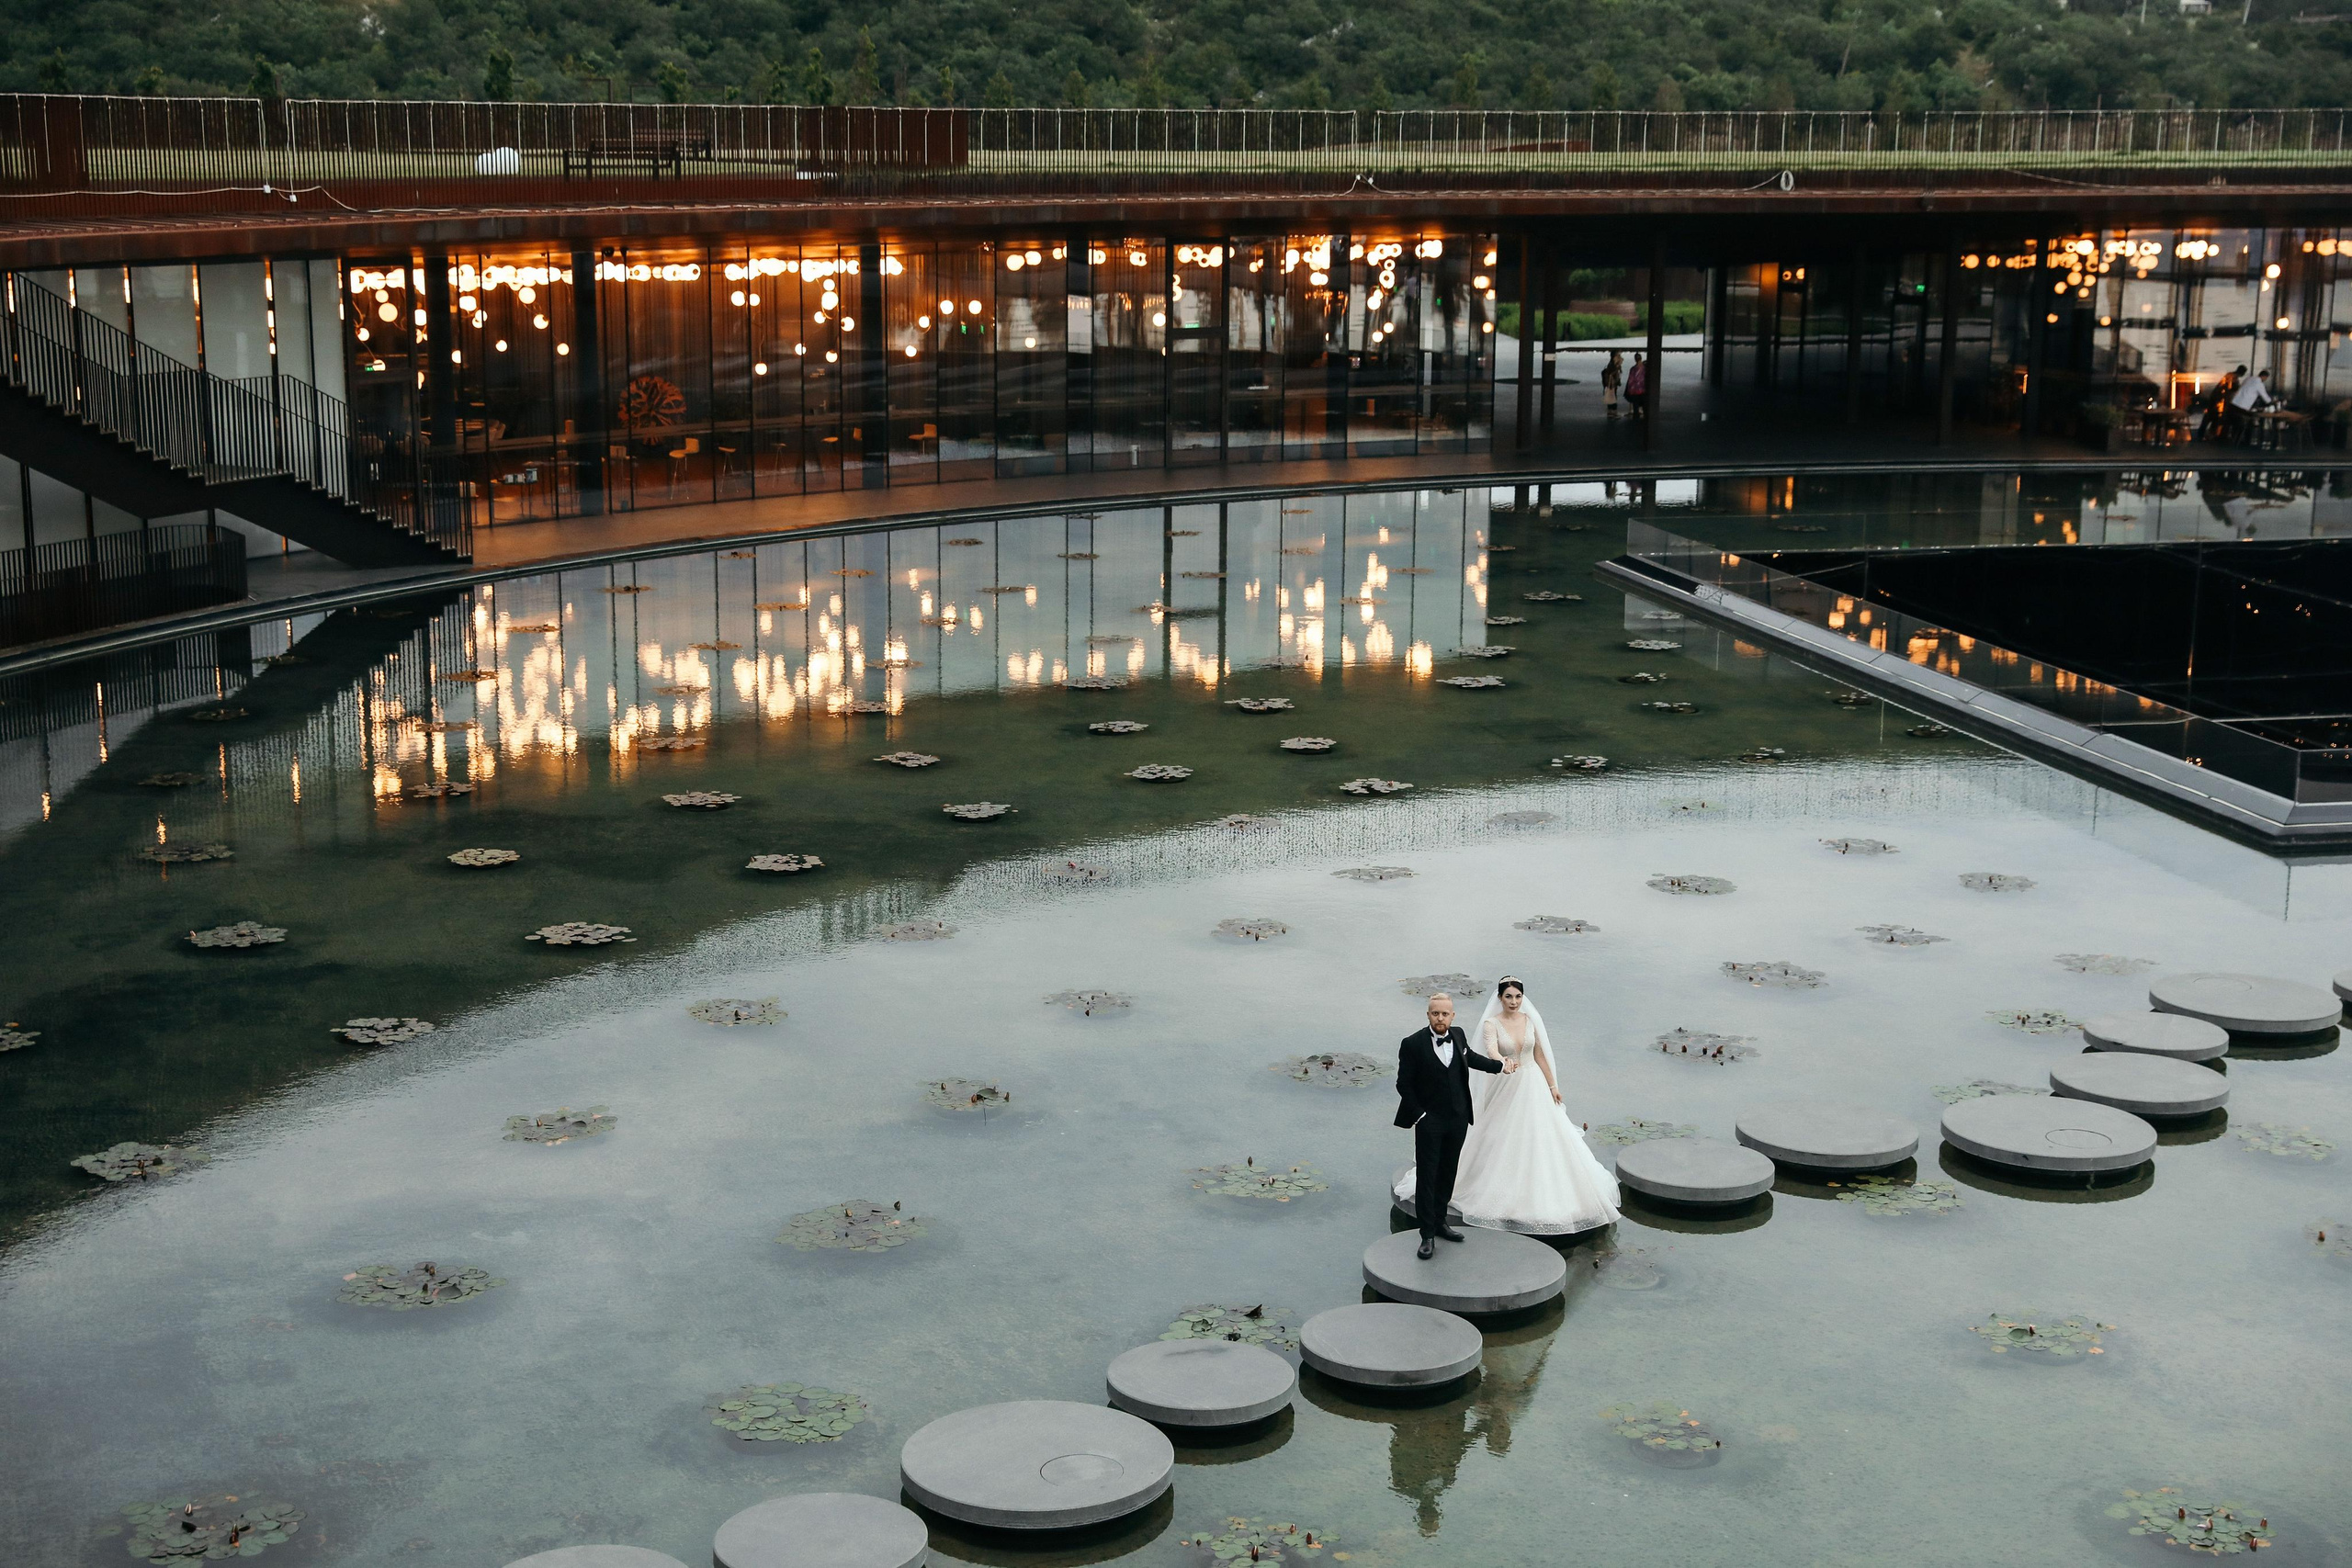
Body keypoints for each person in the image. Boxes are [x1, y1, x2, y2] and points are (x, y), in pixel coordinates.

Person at [1442, 977, 1622, 1235]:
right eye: (1508, 997)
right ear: (1500, 999)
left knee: (1544, 1135)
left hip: (1533, 1082)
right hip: (1508, 1083)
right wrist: (1502, 1061)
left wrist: (1552, 1086)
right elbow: (1491, 1050)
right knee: (1502, 1134)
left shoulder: (1529, 1020)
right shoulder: (1491, 1024)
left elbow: (1539, 1055)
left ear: (1522, 998)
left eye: (1517, 997)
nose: (1513, 1002)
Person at [1392, 992, 1510, 1259]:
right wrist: (1421, 1115)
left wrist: (1499, 1066)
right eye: (1436, 1013)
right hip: (1429, 1121)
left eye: (1445, 1013)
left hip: (1458, 1119)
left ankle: (1441, 1221)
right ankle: (1427, 1234)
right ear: (1428, 1015)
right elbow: (1403, 1084)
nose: (1440, 1018)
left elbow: (1472, 1059)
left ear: (1452, 1015)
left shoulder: (1457, 1035)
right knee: (1427, 1176)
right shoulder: (1412, 1044)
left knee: (1448, 1172)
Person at [1625, 353, 1648, 422]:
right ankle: (1645, 418)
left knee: (1635, 406)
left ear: (1635, 359)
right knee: (1644, 405)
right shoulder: (1645, 368)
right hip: (1643, 389)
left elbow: (1630, 380)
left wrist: (1629, 389)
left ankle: (1636, 418)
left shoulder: (1633, 369)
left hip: (1635, 390)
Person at [1601, 351, 1623, 418]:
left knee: (1612, 395)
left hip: (1612, 383)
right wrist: (1618, 367)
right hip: (1612, 383)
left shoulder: (1612, 364)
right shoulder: (1613, 365)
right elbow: (1614, 373)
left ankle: (1611, 411)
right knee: (1613, 396)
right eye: (1617, 355)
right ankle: (1613, 411)